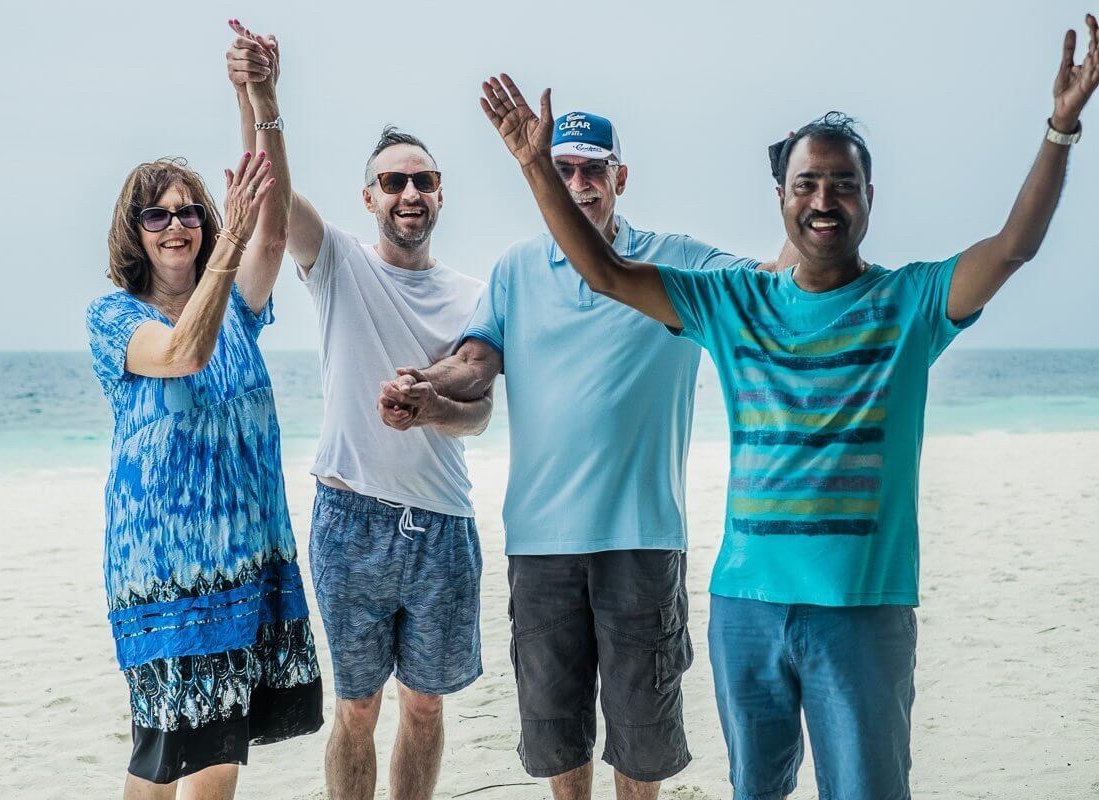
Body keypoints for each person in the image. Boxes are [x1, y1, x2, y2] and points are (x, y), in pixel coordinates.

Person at [475, 14, 1097, 798]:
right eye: (807, 183)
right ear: (781, 197)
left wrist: (1061, 128)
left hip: (861, 610)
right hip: (746, 608)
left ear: (871, 195)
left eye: (842, 183)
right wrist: (536, 169)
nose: (824, 200)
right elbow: (603, 270)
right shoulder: (732, 301)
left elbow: (1012, 246)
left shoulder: (911, 303)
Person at [377, 111, 795, 799]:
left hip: (642, 538)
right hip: (540, 546)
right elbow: (477, 361)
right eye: (563, 168)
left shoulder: (675, 261)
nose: (578, 183)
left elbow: (773, 282)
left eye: (592, 168)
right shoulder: (515, 268)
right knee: (557, 739)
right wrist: (425, 385)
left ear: (618, 178)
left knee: (643, 742)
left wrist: (794, 187)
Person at [225, 26, 488, 800]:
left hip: (442, 523)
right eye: (395, 182)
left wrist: (433, 406)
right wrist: (261, 95)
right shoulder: (337, 261)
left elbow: (477, 416)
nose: (411, 194)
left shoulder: (475, 296)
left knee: (428, 708)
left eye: (424, 181)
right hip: (350, 519)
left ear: (440, 193)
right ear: (368, 197)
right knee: (356, 707)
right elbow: (266, 197)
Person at [86, 27, 322, 800]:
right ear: (136, 233)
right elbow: (184, 352)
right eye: (158, 216)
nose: (179, 223)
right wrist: (229, 240)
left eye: (190, 211)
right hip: (167, 576)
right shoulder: (115, 319)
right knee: (163, 758)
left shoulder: (241, 313)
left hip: (245, 563)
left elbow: (274, 224)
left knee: (219, 755)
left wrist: (258, 96)